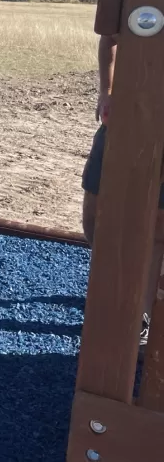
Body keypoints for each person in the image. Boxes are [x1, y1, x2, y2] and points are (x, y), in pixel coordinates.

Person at [81, 31, 164, 345]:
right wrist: (106, 91)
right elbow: (110, 38)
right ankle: (110, 290)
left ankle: (139, 319)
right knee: (94, 213)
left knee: (157, 226)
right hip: (123, 117)